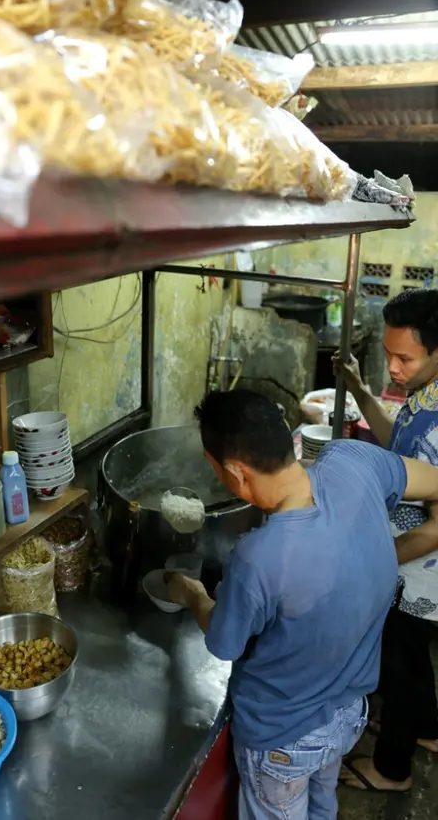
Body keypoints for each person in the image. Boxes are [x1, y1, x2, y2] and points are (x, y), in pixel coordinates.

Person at [166, 389, 438, 820]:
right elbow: (434, 480)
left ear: (236, 473)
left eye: (215, 469)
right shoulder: (354, 459)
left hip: (282, 739)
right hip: (348, 716)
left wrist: (193, 595)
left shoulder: (258, 557)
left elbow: (224, 643)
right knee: (321, 800)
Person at [333, 287, 438, 793]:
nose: (393, 367)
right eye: (389, 354)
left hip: (422, 576)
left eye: (405, 358)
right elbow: (396, 442)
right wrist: (357, 387)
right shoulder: (426, 392)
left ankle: (391, 770)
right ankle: (430, 731)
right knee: (414, 659)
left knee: (401, 666)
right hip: (407, 562)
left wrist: (376, 559)